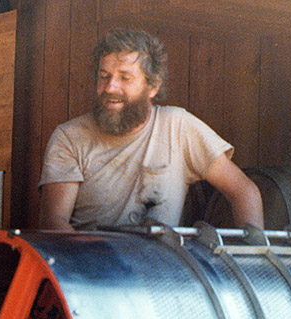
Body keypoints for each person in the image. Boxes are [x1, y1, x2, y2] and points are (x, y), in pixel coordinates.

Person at [39, 29, 264, 231]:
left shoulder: (178, 125)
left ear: (153, 87)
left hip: (160, 269)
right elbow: (53, 222)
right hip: (93, 267)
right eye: (104, 76)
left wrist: (253, 257)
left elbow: (244, 191)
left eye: (125, 78)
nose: (110, 87)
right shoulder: (69, 136)